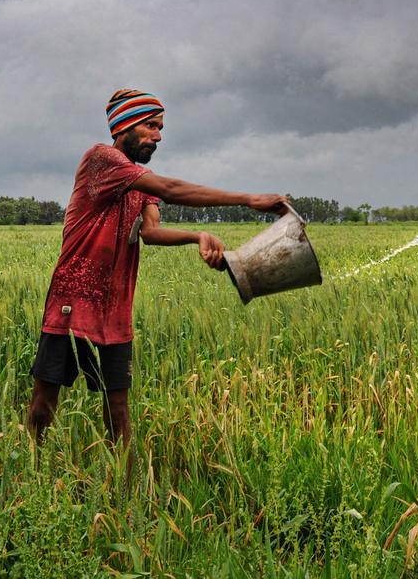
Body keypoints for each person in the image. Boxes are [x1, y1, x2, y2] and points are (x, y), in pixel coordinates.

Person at [27, 89, 287, 448]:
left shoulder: (138, 183)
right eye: (151, 126)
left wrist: (198, 236)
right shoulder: (101, 160)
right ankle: (30, 464)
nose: (159, 136)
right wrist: (249, 199)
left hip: (115, 310)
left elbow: (150, 232)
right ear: (125, 125)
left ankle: (124, 488)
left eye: (160, 128)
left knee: (118, 410)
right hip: (73, 301)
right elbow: (170, 188)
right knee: (44, 403)